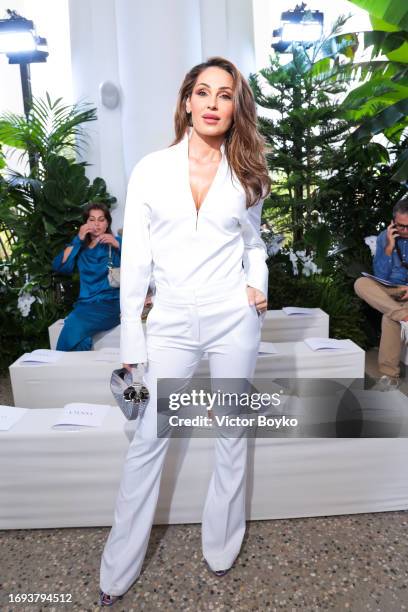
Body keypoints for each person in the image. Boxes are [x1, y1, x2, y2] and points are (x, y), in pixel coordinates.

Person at [98, 56, 271, 606]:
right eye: (204, 92)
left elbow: (252, 243)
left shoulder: (247, 172)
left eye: (226, 94)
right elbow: (138, 267)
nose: (214, 103)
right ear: (187, 101)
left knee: (231, 433)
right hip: (170, 321)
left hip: (231, 318)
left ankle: (221, 544)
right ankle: (117, 569)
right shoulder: (151, 168)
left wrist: (257, 287)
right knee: (149, 439)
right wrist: (132, 344)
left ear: (234, 107)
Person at [52, 202, 122, 351]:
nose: (96, 224)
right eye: (92, 219)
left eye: (101, 219)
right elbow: (59, 266)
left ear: (107, 222)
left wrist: (118, 245)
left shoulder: (116, 243)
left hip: (110, 304)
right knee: (81, 340)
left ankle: (60, 362)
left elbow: (139, 266)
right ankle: (72, 371)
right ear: (85, 223)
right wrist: (78, 238)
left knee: (73, 323)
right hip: (85, 305)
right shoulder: (80, 247)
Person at [354, 197, 408, 390]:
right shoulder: (385, 237)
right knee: (361, 283)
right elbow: (380, 275)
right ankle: (403, 315)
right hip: (391, 290)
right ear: (393, 222)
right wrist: (388, 247)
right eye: (401, 226)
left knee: (389, 318)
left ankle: (389, 375)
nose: (405, 231)